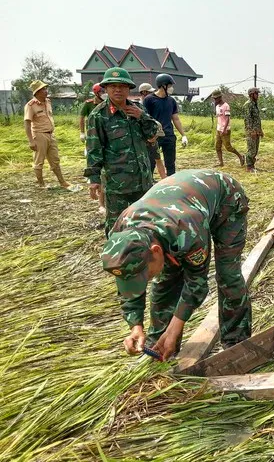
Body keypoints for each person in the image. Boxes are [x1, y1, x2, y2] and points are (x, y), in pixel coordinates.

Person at [101, 169, 250, 360]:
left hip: (226, 200)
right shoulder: (120, 235)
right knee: (166, 281)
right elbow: (127, 280)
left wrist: (175, 328)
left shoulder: (186, 232)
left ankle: (235, 344)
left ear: (155, 251)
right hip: (179, 208)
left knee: (228, 275)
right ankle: (158, 347)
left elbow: (196, 283)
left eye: (145, 276)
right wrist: (135, 326)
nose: (144, 281)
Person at [84, 67, 159, 234]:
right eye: (113, 86)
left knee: (145, 223)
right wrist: (94, 179)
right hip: (118, 184)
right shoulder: (98, 116)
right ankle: (116, 257)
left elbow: (153, 134)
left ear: (129, 88)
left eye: (122, 86)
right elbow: (94, 149)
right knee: (117, 226)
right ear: (106, 88)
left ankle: (143, 255)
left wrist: (142, 116)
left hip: (143, 180)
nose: (118, 90)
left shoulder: (138, 110)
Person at [24, 80, 70, 188]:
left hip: (51, 134)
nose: (46, 91)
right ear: (37, 92)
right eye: (43, 89)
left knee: (55, 160)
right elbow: (27, 124)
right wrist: (31, 141)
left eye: (45, 89)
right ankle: (41, 184)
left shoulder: (48, 102)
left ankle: (62, 182)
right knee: (39, 161)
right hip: (39, 135)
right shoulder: (30, 105)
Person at [143, 74, 188, 176]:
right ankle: (148, 184)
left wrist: (183, 135)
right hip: (154, 136)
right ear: (163, 85)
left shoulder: (171, 101)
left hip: (168, 135)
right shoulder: (149, 100)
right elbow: (144, 118)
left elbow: (175, 118)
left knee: (170, 163)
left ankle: (171, 184)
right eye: (170, 85)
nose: (171, 88)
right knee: (151, 162)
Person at [80, 83, 107, 213]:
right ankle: (101, 204)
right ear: (97, 93)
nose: (104, 93)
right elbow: (81, 118)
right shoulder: (89, 105)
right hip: (94, 137)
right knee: (100, 174)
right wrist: (82, 132)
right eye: (102, 91)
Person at [138, 83, 167, 180]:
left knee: (156, 159)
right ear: (144, 92)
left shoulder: (150, 104)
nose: (152, 94)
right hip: (142, 138)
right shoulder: (137, 107)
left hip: (152, 133)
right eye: (150, 92)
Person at [212, 89, 244, 167]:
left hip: (225, 129)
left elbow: (227, 119)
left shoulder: (226, 106)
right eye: (214, 98)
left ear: (220, 97)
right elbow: (217, 115)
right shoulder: (217, 106)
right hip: (218, 129)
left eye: (216, 98)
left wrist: (224, 129)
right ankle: (221, 163)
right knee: (217, 147)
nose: (215, 100)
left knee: (228, 147)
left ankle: (240, 156)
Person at [244, 87, 263, 172]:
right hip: (251, 131)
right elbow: (248, 119)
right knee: (251, 149)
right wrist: (251, 131)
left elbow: (257, 119)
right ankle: (249, 167)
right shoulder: (248, 104)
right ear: (251, 94)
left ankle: (252, 165)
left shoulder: (255, 104)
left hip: (256, 131)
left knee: (255, 150)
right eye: (256, 94)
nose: (257, 95)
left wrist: (260, 130)